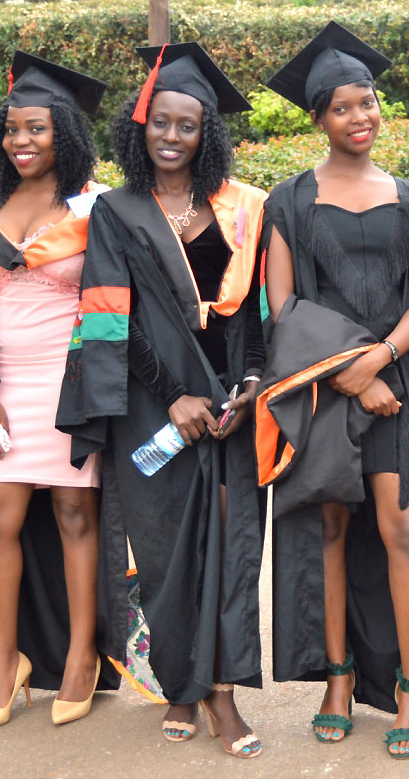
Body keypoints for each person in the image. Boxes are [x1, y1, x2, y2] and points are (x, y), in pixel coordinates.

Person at [259, 21, 409, 760]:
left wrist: (380, 361)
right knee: (327, 530)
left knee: (404, 530)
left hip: (398, 385)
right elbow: (282, 304)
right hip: (321, 388)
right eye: (345, 107)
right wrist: (351, 371)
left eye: (371, 102)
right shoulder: (287, 202)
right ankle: (339, 678)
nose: (363, 117)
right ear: (319, 117)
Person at [54, 43, 266, 758]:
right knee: (167, 548)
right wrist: (174, 396)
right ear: (138, 127)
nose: (172, 136)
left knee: (234, 551)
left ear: (208, 135)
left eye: (188, 125)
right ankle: (180, 684)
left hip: (231, 406)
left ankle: (225, 698)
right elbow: (111, 314)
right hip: (155, 406)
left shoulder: (241, 210)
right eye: (161, 122)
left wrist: (252, 383)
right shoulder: (117, 212)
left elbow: (256, 312)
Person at [0, 51, 114, 730]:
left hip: (70, 382)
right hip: (3, 384)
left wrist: (90, 388)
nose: (22, 141)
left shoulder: (95, 209)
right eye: (12, 130)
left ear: (63, 133)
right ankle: (5, 666)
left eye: (36, 128)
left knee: (75, 517)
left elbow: (112, 303)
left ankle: (78, 657)